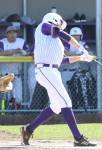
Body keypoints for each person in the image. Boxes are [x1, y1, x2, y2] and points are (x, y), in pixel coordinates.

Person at [21, 12, 96, 147]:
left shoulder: (55, 42)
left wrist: (81, 57)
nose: (61, 28)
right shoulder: (43, 27)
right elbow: (55, 31)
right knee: (66, 101)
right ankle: (78, 138)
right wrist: (80, 47)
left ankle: (28, 129)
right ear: (55, 20)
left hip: (53, 71)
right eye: (60, 25)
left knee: (56, 106)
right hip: (45, 70)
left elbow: (61, 61)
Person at [0, 26, 29, 108]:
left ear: (17, 34)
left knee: (19, 98)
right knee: (6, 97)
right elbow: (0, 53)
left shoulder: (22, 42)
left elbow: (28, 52)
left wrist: (22, 52)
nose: (12, 34)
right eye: (10, 32)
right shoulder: (2, 42)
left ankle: (16, 114)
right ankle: (5, 115)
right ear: (7, 34)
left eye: (14, 32)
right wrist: (15, 51)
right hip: (4, 75)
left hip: (17, 74)